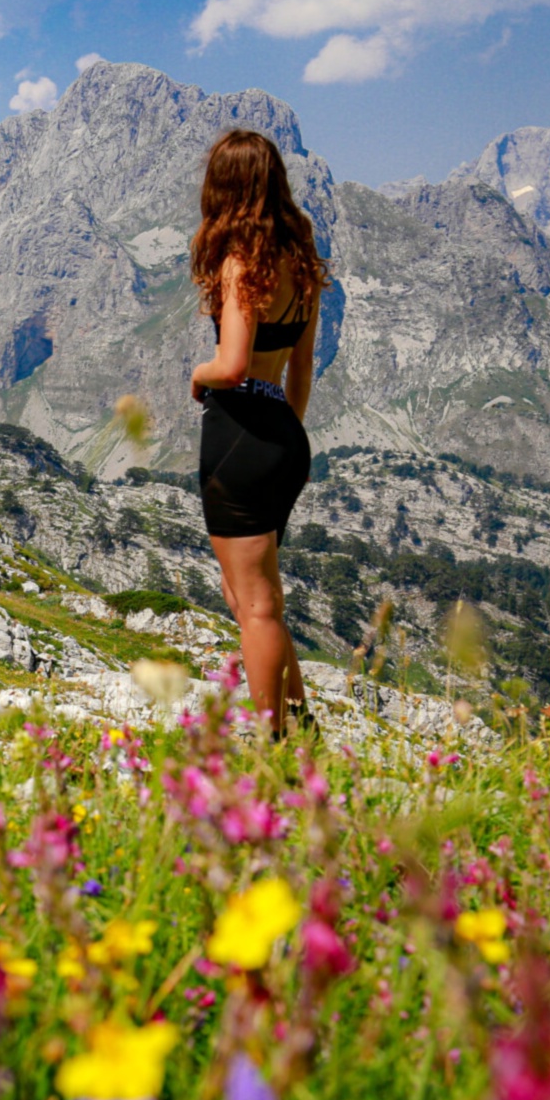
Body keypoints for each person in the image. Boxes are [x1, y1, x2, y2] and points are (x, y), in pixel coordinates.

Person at [187, 128, 330, 737]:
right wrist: (283, 439)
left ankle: (272, 745)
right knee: (253, 597)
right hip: (283, 436)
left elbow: (233, 364)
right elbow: (301, 369)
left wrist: (198, 375)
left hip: (240, 429)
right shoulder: (301, 259)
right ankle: (301, 727)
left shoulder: (240, 262)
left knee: (255, 605)